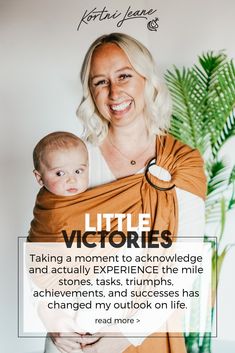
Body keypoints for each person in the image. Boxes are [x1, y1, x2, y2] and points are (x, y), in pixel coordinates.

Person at [42, 33, 206, 353]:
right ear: (91, 92)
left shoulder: (182, 163)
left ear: (146, 78)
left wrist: (126, 334)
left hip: (148, 330)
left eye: (124, 76)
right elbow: (45, 248)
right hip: (76, 333)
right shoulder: (75, 160)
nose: (114, 91)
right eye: (100, 82)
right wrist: (50, 315)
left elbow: (186, 268)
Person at [33, 131, 89, 196]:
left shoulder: (94, 197)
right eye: (60, 173)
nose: (72, 180)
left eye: (78, 171)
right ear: (40, 178)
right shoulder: (48, 204)